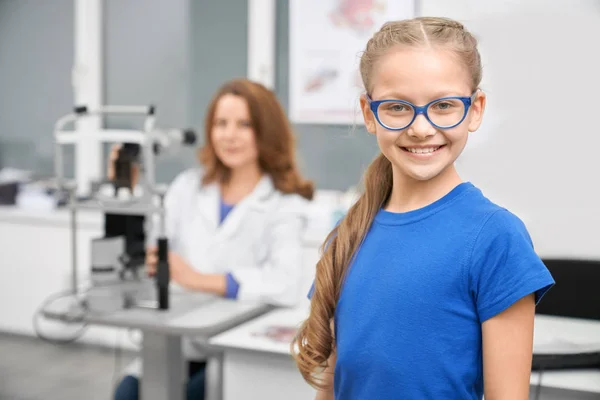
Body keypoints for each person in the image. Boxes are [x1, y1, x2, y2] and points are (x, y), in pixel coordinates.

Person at [292, 17, 555, 400]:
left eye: (444, 105)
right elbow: (335, 382)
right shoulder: (350, 233)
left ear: (475, 108)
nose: (420, 127)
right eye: (398, 107)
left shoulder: (496, 238)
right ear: (369, 113)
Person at [113, 78, 315, 400]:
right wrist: (129, 192)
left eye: (244, 124)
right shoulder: (188, 186)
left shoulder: (284, 203)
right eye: (221, 123)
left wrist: (199, 279)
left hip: (232, 346)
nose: (229, 135)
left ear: (266, 132)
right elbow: (151, 246)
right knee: (127, 394)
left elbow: (284, 282)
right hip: (178, 336)